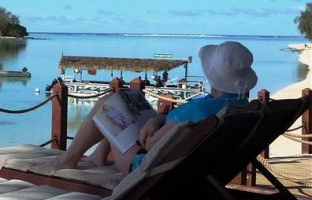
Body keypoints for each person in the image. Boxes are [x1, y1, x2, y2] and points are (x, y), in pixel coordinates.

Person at [57, 41, 258, 176]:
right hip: (192, 167)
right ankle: (97, 155)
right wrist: (156, 119)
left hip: (145, 165)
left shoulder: (200, 111)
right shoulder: (238, 106)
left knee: (109, 102)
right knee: (123, 99)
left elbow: (152, 144)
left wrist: (150, 127)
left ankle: (69, 159)